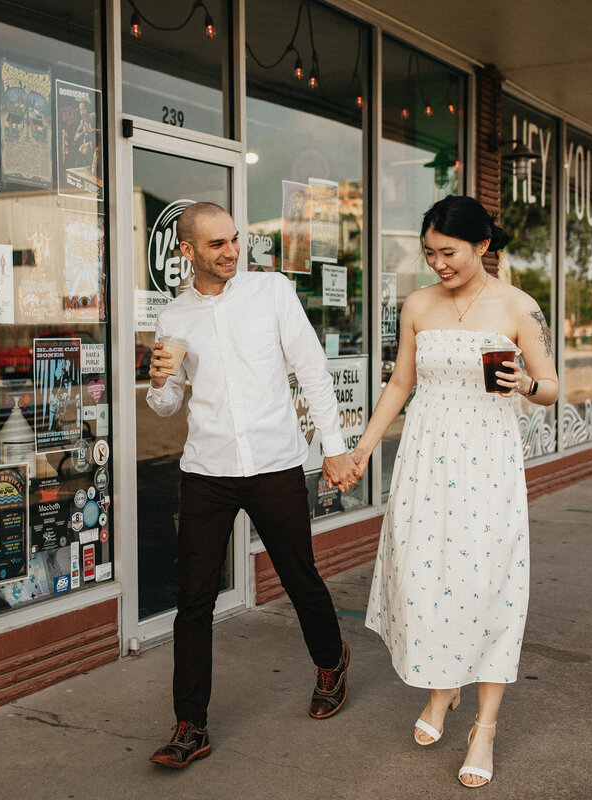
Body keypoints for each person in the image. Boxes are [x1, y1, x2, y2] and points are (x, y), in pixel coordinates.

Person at [351, 195, 558, 788]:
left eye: (449, 252)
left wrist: (527, 384)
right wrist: (365, 447)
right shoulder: (418, 304)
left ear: (482, 246)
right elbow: (400, 382)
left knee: (486, 584)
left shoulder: (518, 307)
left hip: (488, 463)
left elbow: (550, 387)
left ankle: (484, 725)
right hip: (424, 460)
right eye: (429, 253)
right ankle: (444, 692)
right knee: (429, 580)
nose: (438, 264)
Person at [144, 202, 361, 769]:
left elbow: (312, 368)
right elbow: (167, 406)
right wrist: (160, 381)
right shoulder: (174, 318)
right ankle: (191, 725)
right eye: (217, 244)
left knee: (298, 578)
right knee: (192, 600)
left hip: (273, 464)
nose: (232, 251)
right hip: (207, 472)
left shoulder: (272, 294)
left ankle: (331, 660)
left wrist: (334, 448)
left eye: (235, 240)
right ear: (188, 251)